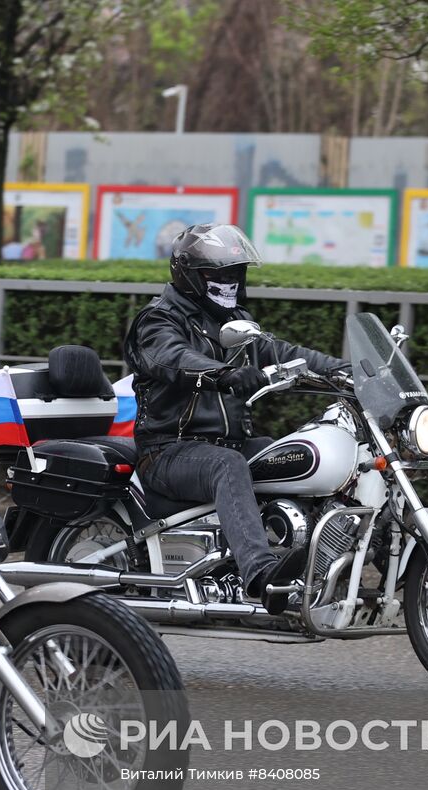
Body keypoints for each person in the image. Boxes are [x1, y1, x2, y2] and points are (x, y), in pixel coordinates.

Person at [124, 223, 349, 612]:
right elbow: (174, 357)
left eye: (235, 274)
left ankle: (311, 562)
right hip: (167, 451)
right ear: (189, 275)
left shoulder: (235, 319)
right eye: (218, 274)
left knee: (294, 453)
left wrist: (346, 371)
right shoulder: (157, 320)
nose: (229, 282)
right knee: (228, 465)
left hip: (230, 444)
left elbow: (280, 351)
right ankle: (261, 574)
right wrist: (223, 373)